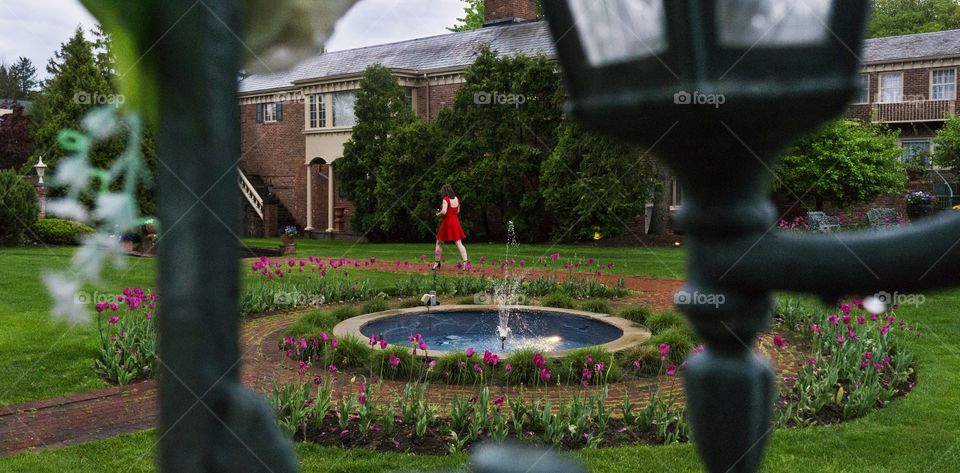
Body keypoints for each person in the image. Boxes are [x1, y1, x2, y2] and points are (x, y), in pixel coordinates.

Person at [433, 184, 468, 270]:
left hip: (447, 223)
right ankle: (466, 262)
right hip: (455, 222)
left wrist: (438, 214)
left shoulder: (445, 199)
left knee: (439, 243)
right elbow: (458, 211)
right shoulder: (456, 198)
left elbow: (444, 212)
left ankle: (437, 263)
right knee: (459, 243)